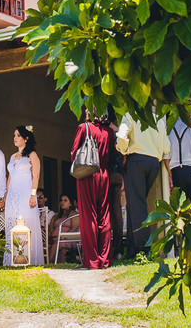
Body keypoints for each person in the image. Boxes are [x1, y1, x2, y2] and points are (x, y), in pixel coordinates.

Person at [117, 110, 170, 258]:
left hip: (136, 161)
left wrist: (123, 150)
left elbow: (121, 136)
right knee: (135, 204)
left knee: (137, 204)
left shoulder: (131, 114)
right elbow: (166, 147)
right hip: (153, 163)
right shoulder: (158, 119)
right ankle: (132, 248)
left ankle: (143, 248)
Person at [72, 112, 116, 269]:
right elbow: (112, 155)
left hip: (87, 174)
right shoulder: (108, 132)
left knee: (88, 216)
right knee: (104, 215)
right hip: (104, 174)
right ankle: (104, 259)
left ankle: (92, 260)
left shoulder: (83, 128)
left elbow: (74, 153)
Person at [0, 125, 44, 265]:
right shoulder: (13, 156)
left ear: (26, 138)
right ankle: (13, 259)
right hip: (12, 196)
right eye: (14, 135)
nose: (15, 138)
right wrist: (5, 197)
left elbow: (36, 176)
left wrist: (33, 195)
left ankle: (28, 259)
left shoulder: (32, 155)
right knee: (12, 225)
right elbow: (9, 178)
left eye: (18, 135)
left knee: (26, 224)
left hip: (25, 194)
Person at [47, 194, 80, 262]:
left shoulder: (74, 215)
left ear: (70, 204)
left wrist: (61, 237)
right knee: (47, 244)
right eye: (61, 200)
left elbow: (73, 229)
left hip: (68, 239)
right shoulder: (56, 216)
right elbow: (51, 229)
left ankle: (49, 264)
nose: (62, 202)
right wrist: (50, 237)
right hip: (54, 238)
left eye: (65, 200)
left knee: (55, 244)